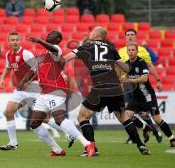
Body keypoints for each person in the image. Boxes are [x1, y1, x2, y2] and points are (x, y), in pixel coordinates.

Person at [31, 27, 151, 156]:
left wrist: (55, 57)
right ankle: (141, 145)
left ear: (94, 35)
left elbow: (64, 59)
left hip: (99, 87)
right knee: (123, 118)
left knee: (82, 117)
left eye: (91, 32)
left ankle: (91, 148)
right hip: (115, 87)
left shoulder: (86, 46)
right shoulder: (111, 49)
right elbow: (126, 68)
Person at [25, 30, 96, 157]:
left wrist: (40, 41)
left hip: (56, 89)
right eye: (48, 33)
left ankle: (87, 143)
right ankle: (57, 150)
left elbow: (52, 48)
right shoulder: (42, 55)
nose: (48, 34)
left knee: (59, 119)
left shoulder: (56, 49)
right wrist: (24, 81)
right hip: (44, 92)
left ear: (57, 39)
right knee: (34, 124)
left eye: (52, 33)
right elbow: (33, 70)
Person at [0, 31, 69, 156]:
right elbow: (8, 67)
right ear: (8, 42)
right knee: (8, 112)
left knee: (44, 119)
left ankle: (68, 132)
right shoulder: (8, 54)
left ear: (19, 41)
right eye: (12, 40)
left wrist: (28, 82)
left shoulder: (25, 53)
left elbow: (36, 70)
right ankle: (13, 143)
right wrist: (2, 79)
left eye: (17, 40)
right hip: (20, 89)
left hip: (33, 88)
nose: (15, 42)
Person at [122, 44, 175, 147]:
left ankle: (172, 139)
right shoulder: (126, 64)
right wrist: (122, 84)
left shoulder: (142, 62)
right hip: (136, 98)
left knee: (157, 119)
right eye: (129, 50)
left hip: (148, 97)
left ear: (137, 52)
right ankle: (145, 126)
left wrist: (129, 80)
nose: (131, 52)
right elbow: (125, 77)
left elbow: (145, 79)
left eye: (133, 50)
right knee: (127, 115)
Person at [118, 29, 163, 144]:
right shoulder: (121, 51)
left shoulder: (142, 51)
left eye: (132, 35)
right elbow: (120, 69)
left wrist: (158, 80)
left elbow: (150, 66)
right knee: (128, 111)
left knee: (140, 112)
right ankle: (137, 132)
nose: (130, 37)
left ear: (136, 37)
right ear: (125, 37)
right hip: (128, 85)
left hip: (140, 87)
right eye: (128, 35)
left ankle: (153, 129)